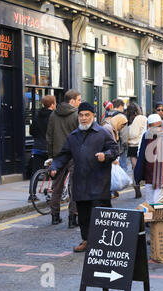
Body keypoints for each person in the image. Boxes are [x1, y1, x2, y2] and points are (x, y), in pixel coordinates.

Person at [50, 102, 119, 252]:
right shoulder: (73, 136)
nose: (83, 118)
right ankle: (86, 240)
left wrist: (105, 155)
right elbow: (63, 155)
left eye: (87, 115)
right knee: (83, 216)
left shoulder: (102, 133)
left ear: (93, 116)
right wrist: (54, 167)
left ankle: (104, 243)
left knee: (101, 215)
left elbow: (114, 149)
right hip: (81, 183)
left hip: (99, 183)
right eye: (81, 115)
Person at [46, 90, 81, 227]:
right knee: (75, 187)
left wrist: (51, 156)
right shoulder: (76, 115)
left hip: (58, 156)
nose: (79, 102)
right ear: (72, 101)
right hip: (73, 156)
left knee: (56, 188)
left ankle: (55, 217)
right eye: (78, 100)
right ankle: (72, 219)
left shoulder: (54, 114)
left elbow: (49, 137)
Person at [29, 95, 56, 179]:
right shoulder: (54, 117)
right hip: (50, 147)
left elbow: (32, 131)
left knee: (36, 173)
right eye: (55, 103)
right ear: (52, 105)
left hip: (38, 146)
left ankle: (33, 189)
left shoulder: (37, 116)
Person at [103, 113, 129, 198]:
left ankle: (111, 191)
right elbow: (107, 145)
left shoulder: (111, 128)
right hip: (107, 156)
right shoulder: (108, 129)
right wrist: (113, 159)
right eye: (121, 125)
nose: (121, 128)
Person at [127, 103, 148, 199]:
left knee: (134, 168)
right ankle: (140, 183)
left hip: (132, 146)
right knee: (141, 166)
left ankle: (136, 185)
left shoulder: (129, 120)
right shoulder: (142, 118)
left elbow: (131, 134)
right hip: (141, 144)